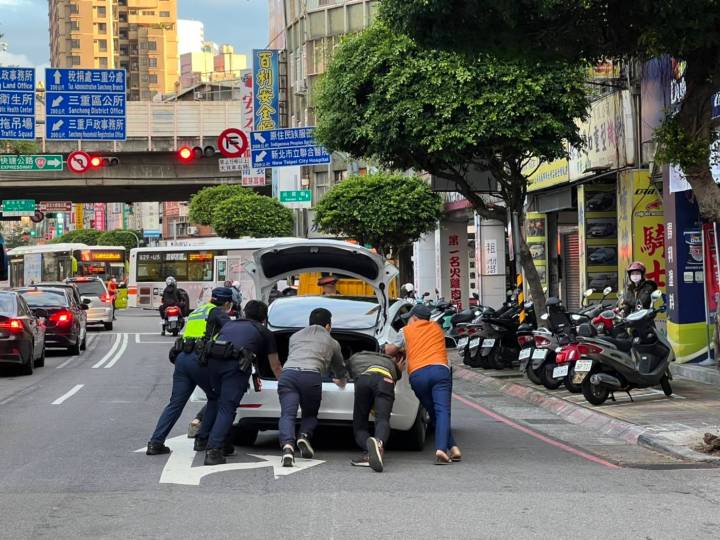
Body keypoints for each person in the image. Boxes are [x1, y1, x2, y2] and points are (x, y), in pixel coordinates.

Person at [145, 287, 234, 456]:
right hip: (199, 361)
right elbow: (232, 332)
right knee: (216, 398)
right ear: (228, 303)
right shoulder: (218, 313)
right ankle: (202, 439)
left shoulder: (199, 311)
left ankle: (155, 443)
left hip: (182, 359)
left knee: (175, 404)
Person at [197, 299, 279, 465]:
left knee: (222, 404)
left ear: (244, 313)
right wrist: (285, 384)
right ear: (264, 318)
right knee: (228, 407)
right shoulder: (264, 332)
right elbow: (275, 366)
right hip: (234, 367)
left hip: (211, 364)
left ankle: (224, 443)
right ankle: (213, 451)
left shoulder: (229, 325)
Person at [384, 304, 461, 465]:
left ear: (415, 318)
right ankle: (448, 447)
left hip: (418, 376)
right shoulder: (437, 328)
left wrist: (386, 347)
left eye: (410, 318)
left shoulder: (405, 331)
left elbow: (390, 351)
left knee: (434, 412)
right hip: (440, 372)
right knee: (441, 412)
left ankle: (450, 448)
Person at [278, 308, 347, 467]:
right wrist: (341, 381)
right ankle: (304, 436)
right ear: (328, 326)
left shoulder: (294, 336)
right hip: (310, 376)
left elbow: (294, 356)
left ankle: (288, 447)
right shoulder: (332, 342)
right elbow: (339, 367)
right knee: (309, 415)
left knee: (287, 414)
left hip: (288, 375)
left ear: (308, 323)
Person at [347, 350, 405, 472]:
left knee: (360, 425)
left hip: (364, 378)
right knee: (382, 419)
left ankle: (369, 452)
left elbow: (344, 372)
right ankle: (378, 444)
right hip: (386, 380)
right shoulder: (390, 362)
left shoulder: (356, 358)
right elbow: (397, 376)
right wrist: (398, 369)